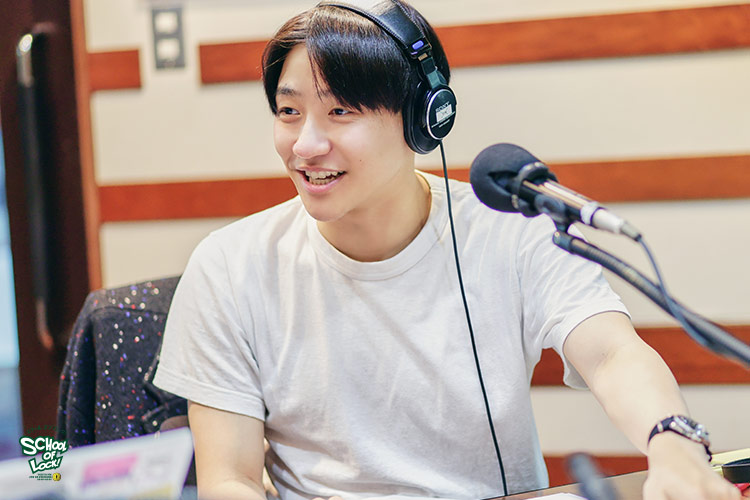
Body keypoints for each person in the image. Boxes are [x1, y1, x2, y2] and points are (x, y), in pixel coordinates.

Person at [153, 1, 743, 499]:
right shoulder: (228, 265)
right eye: (289, 111)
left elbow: (613, 354)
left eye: (340, 111)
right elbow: (230, 479)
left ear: (423, 120)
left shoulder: (511, 228)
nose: (305, 144)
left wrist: (675, 447)